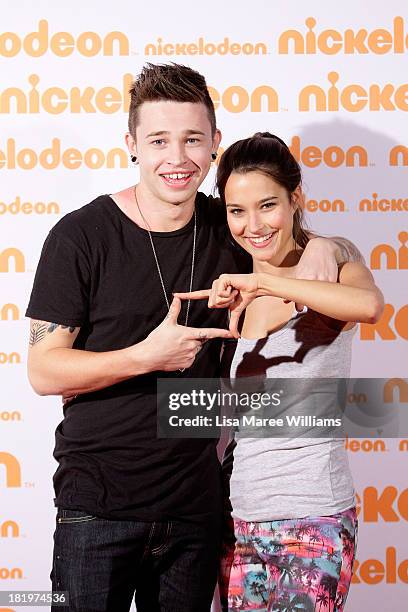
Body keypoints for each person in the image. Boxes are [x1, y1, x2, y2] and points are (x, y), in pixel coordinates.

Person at [26, 63, 360, 612]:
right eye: (159, 140)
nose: (177, 158)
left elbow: (293, 241)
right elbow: (43, 369)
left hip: (199, 512)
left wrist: (333, 246)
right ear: (132, 145)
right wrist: (143, 356)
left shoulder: (228, 227)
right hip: (98, 507)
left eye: (192, 140)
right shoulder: (79, 237)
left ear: (214, 145)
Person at [175, 132, 384, 612]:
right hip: (240, 519)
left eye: (267, 205)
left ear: (296, 199)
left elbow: (369, 306)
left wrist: (273, 278)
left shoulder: (330, 265)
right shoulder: (233, 287)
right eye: (237, 211)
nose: (253, 225)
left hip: (313, 518)